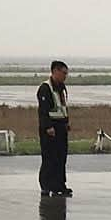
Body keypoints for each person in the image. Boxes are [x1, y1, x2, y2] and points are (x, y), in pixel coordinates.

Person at [37, 60, 72, 197]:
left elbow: (62, 106)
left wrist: (67, 121)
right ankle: (46, 186)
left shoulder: (61, 87)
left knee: (61, 157)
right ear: (55, 71)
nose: (65, 76)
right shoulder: (45, 88)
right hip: (50, 129)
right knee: (49, 158)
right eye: (63, 73)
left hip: (61, 126)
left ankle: (60, 185)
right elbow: (43, 111)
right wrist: (48, 127)